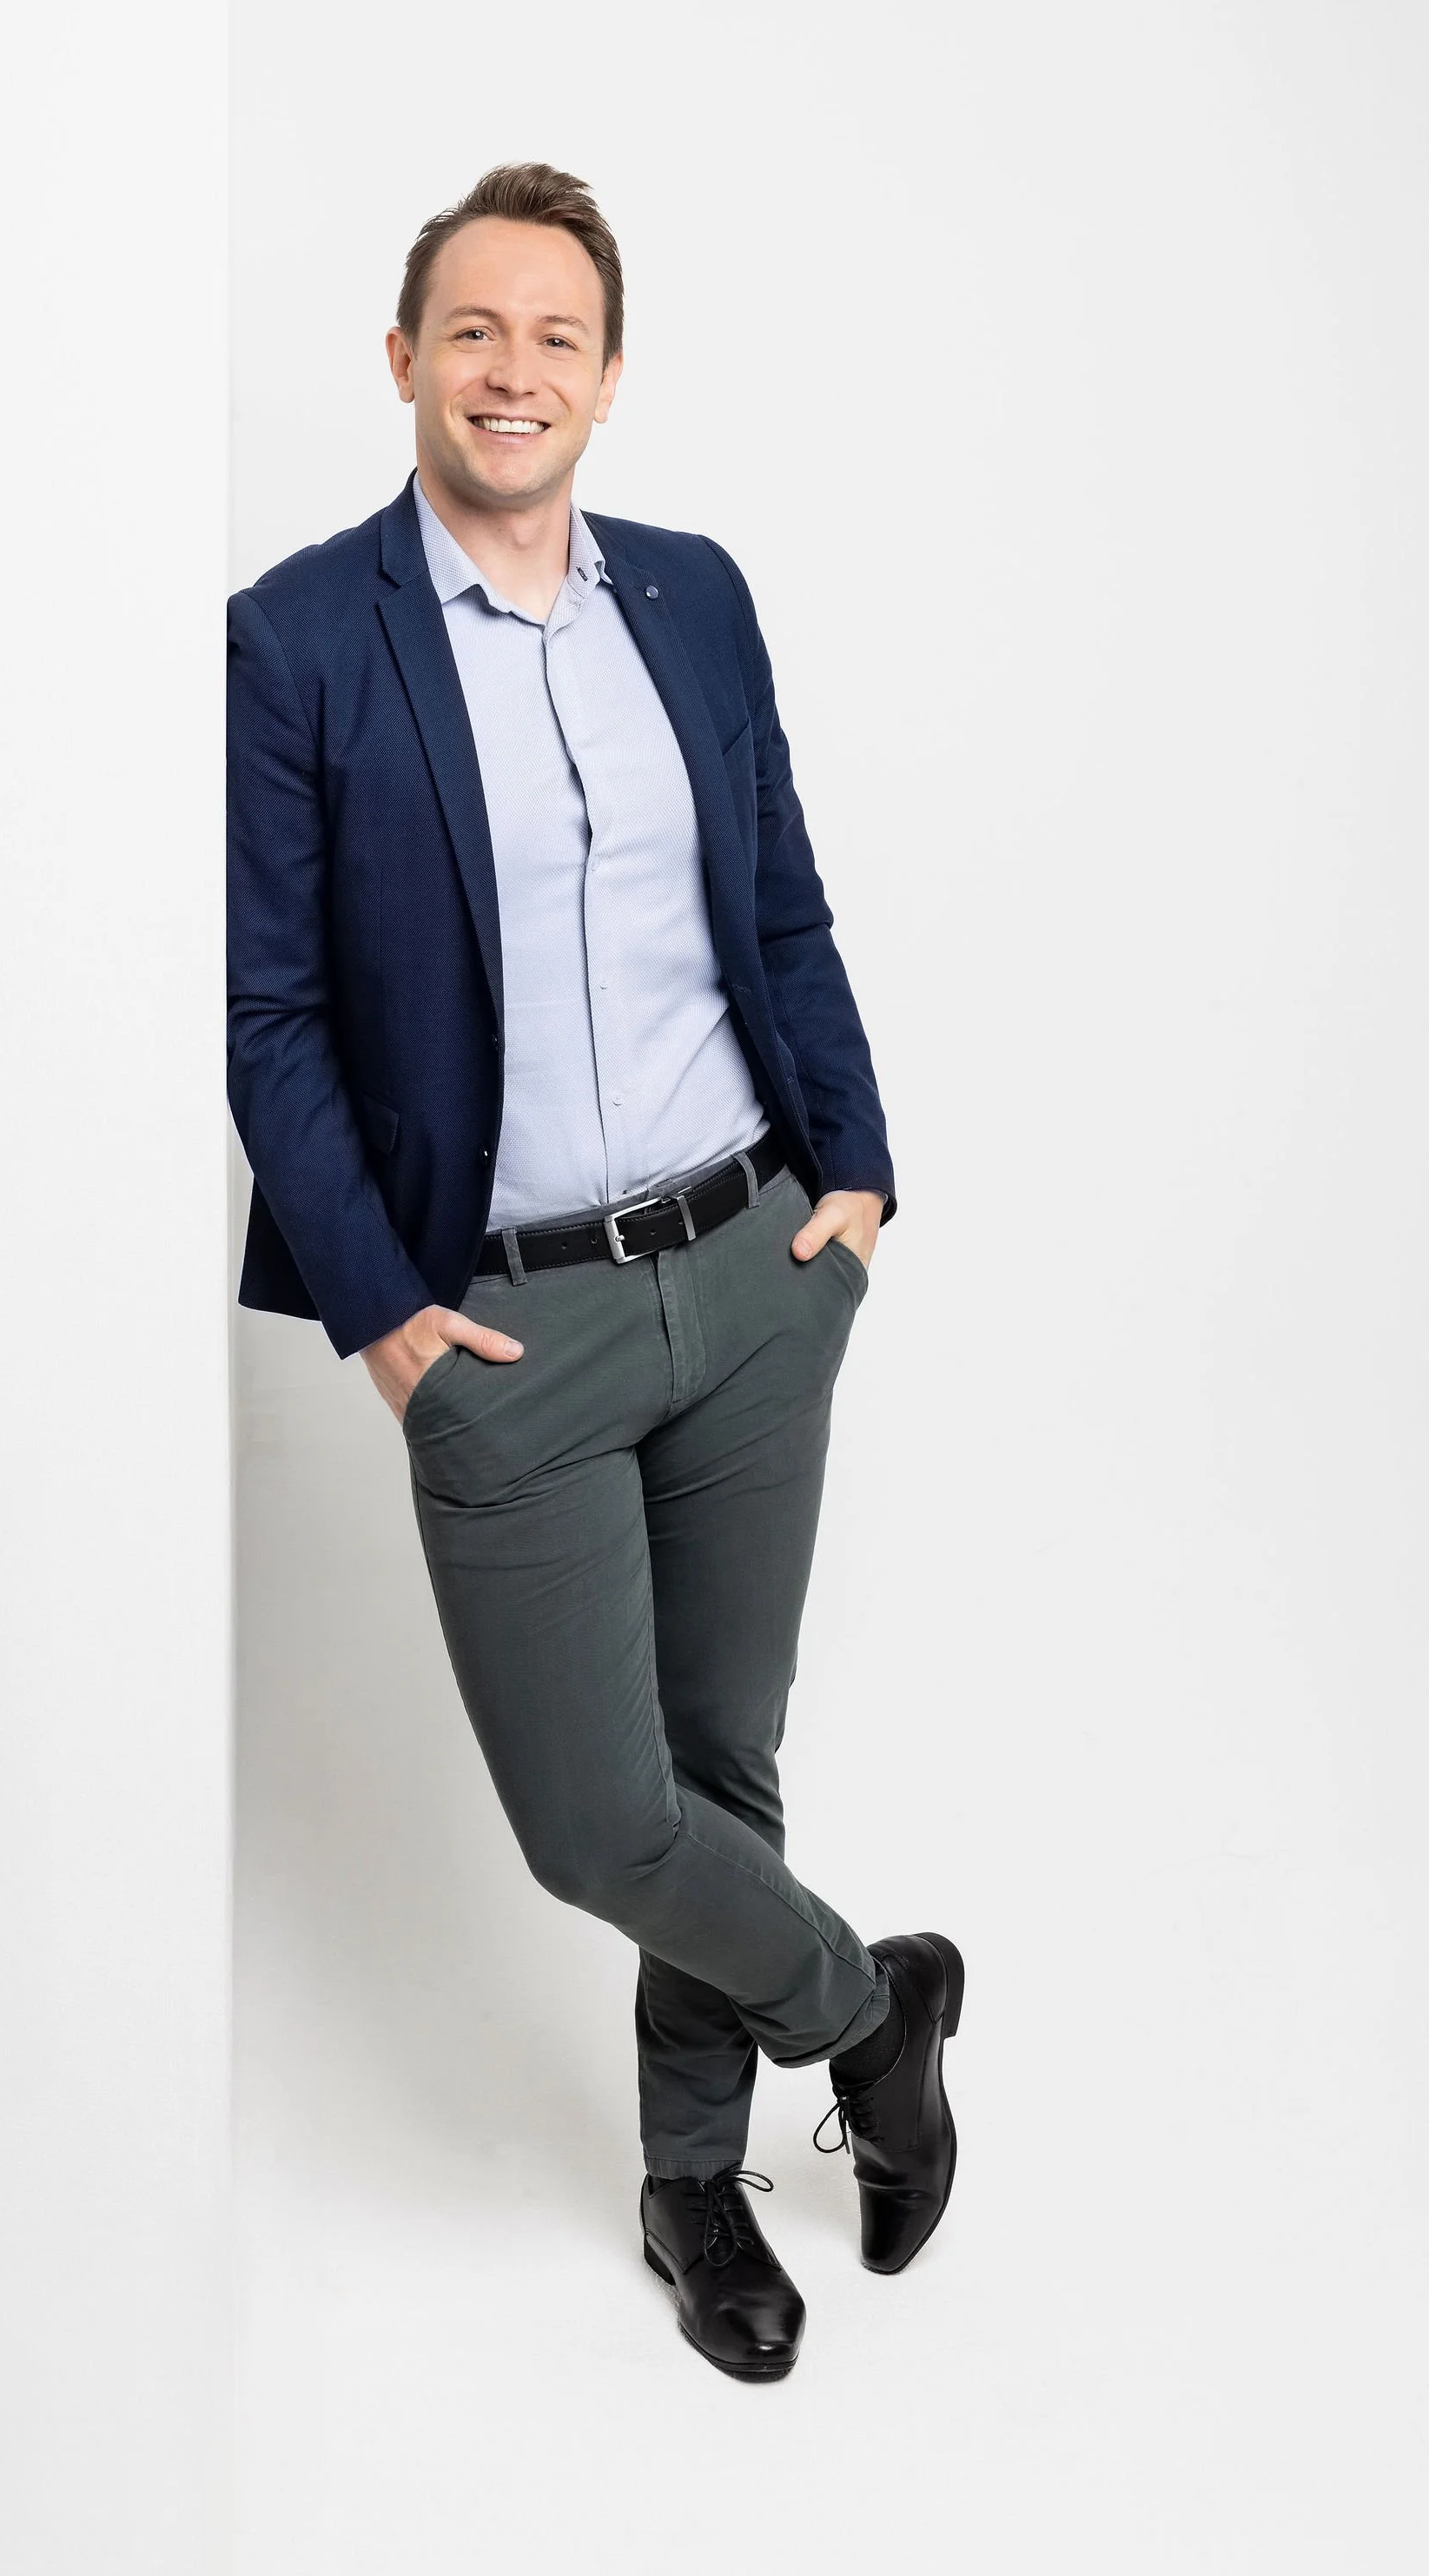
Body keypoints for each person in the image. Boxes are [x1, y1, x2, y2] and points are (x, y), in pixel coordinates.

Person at [227, 162, 962, 2382]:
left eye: (556, 335)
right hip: (507, 1327)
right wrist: (384, 1320)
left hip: (753, 1267)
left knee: (719, 1766)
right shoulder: (294, 637)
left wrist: (855, 1181)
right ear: (401, 362)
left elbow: (790, 899)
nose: (513, 369)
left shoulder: (702, 599)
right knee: (597, 1821)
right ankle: (876, 2000)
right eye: (473, 329)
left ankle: (688, 2182)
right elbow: (266, 1013)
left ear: (608, 376)